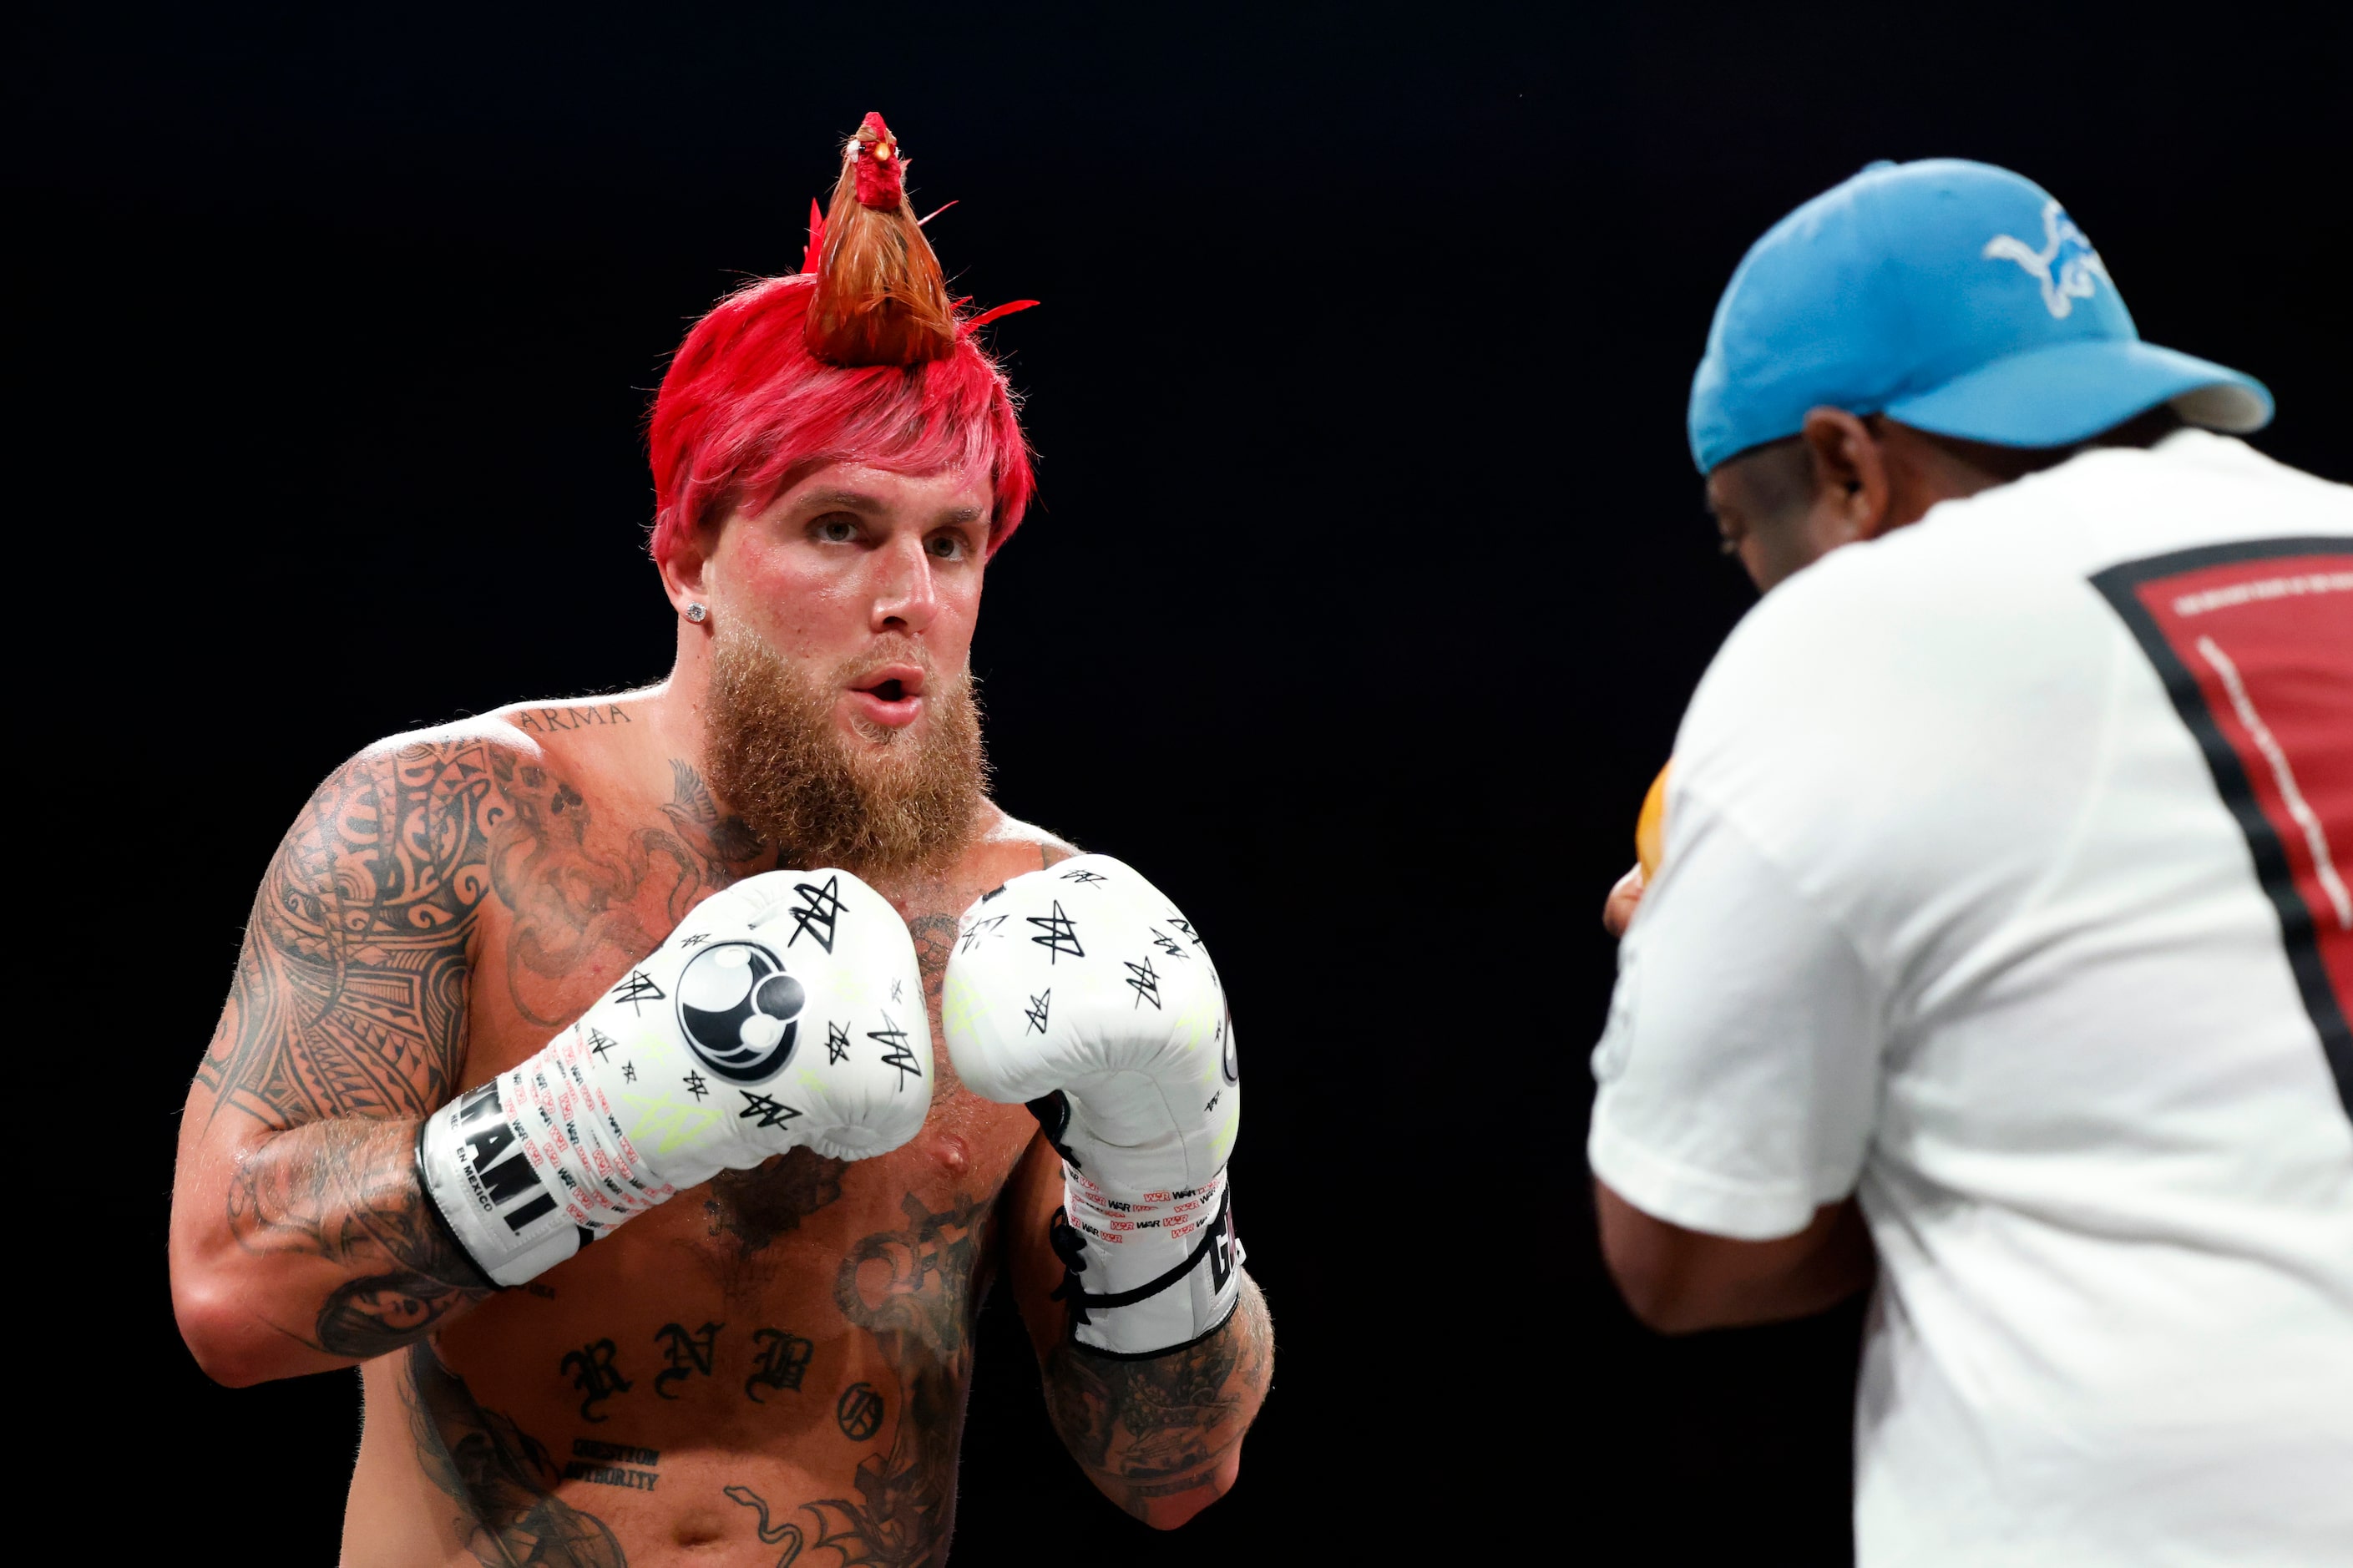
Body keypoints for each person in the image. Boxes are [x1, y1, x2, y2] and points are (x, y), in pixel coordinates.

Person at [169, 112, 1271, 1565]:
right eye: (838, 528)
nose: (910, 597)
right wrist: (589, 1123)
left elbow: (1173, 1473)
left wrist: (1165, 1181)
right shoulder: (450, 818)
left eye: (951, 543)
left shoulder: (1039, 926)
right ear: (687, 555)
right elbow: (231, 1300)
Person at [1589, 158, 2351, 1565]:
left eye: (1734, 536)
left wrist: (1708, 992)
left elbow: (1686, 1255)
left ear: (1844, 466)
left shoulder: (1849, 636)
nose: (1747, 584)